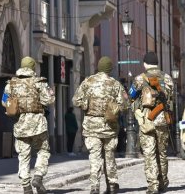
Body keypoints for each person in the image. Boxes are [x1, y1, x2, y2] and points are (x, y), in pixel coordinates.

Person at [72, 56, 128, 194]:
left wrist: (86, 105)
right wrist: (114, 108)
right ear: (110, 69)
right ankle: (112, 185)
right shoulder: (115, 84)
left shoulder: (88, 82)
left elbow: (76, 100)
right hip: (110, 126)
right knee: (110, 156)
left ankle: (95, 187)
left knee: (95, 156)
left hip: (92, 126)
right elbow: (125, 104)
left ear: (98, 67)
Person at [1, 56, 55, 194]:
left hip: (21, 125)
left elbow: (4, 102)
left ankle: (26, 186)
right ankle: (38, 176)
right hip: (38, 124)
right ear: (32, 67)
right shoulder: (39, 82)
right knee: (43, 151)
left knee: (23, 156)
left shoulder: (11, 84)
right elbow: (49, 100)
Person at [129, 52, 174, 194]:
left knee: (149, 154)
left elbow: (131, 96)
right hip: (163, 120)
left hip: (147, 121)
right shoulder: (167, 78)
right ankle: (163, 182)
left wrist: (136, 109)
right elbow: (171, 99)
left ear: (145, 64)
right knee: (162, 152)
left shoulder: (140, 79)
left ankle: (153, 185)